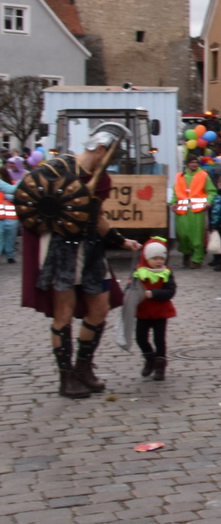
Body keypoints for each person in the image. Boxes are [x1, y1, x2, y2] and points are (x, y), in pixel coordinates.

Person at [17, 124, 143, 398]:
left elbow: (96, 218)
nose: (109, 160)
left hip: (90, 249)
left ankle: (83, 368)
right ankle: (67, 378)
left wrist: (120, 240)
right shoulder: (55, 170)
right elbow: (31, 202)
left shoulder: (103, 180)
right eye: (108, 154)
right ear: (99, 149)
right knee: (64, 311)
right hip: (59, 249)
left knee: (99, 307)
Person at [132, 237, 177, 381]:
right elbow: (132, 289)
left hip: (160, 311)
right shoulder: (139, 272)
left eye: (161, 258)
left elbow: (170, 291)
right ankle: (149, 357)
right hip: (143, 311)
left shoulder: (166, 273)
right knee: (140, 338)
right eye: (154, 258)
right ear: (146, 258)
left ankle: (160, 365)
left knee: (159, 339)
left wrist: (154, 293)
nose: (159, 261)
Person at [172, 154, 209, 268]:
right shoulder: (180, 176)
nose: (194, 164)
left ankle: (197, 259)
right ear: (188, 164)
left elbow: (211, 191)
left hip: (197, 210)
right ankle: (186, 254)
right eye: (192, 162)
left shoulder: (203, 175)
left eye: (196, 162)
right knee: (182, 235)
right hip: (182, 210)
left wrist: (209, 201)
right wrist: (173, 202)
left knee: (197, 236)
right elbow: (176, 191)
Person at [0, 165, 17, 263]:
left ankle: (10, 255)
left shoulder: (12, 183)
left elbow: (18, 196)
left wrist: (9, 197)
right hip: (1, 217)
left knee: (10, 238)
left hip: (11, 217)